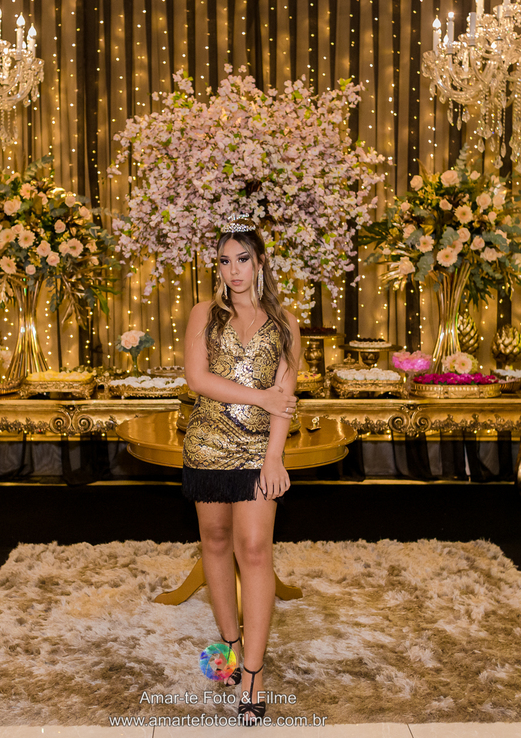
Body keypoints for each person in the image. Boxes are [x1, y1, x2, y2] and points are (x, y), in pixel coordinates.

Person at [181, 215, 301, 727]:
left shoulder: (286, 324)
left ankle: (252, 670)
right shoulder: (204, 313)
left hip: (257, 452)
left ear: (261, 261)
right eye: (225, 261)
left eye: (243, 259)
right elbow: (196, 379)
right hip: (206, 444)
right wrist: (261, 396)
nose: (234, 271)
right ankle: (228, 644)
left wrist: (274, 456)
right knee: (214, 541)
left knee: (254, 549)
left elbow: (286, 399)